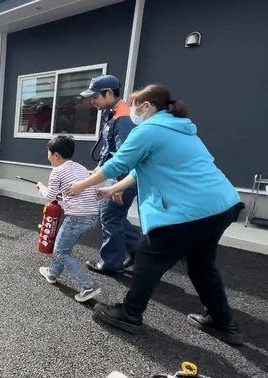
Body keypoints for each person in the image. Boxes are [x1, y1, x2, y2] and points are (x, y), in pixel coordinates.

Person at [67, 84, 244, 346]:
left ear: (147, 106)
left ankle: (129, 314)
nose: (133, 111)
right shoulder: (181, 129)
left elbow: (118, 163)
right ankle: (223, 322)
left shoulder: (149, 130)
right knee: (201, 265)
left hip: (189, 211)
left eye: (136, 105)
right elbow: (141, 168)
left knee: (149, 258)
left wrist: (82, 184)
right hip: (222, 206)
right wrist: (112, 188)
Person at [78, 75, 141, 275]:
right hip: (115, 174)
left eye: (95, 97)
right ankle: (141, 251)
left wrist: (119, 187)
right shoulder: (113, 113)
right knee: (116, 217)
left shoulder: (123, 118)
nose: (92, 101)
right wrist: (98, 171)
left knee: (110, 217)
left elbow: (126, 157)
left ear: (109, 93)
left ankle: (111, 263)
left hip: (123, 177)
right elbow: (109, 151)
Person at [36, 136, 101, 303]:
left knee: (60, 251)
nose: (47, 156)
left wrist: (41, 188)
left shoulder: (57, 171)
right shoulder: (80, 168)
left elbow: (50, 197)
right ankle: (53, 273)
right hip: (92, 216)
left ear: (56, 155)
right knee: (65, 247)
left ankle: (88, 286)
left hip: (77, 218)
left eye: (48, 153)